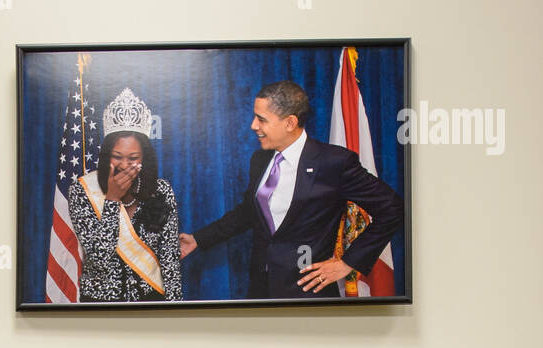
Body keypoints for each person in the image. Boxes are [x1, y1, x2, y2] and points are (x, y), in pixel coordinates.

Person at [180, 81, 404, 300]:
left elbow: (392, 208)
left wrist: (348, 262)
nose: (253, 126)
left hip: (307, 295)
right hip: (260, 291)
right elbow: (249, 213)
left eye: (261, 119)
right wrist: (199, 239)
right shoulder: (260, 159)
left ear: (290, 123)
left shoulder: (333, 162)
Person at [68, 90, 182, 303]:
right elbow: (99, 259)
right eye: (117, 157)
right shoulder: (82, 191)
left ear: (144, 158)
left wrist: (175, 309)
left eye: (133, 159)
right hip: (101, 304)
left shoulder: (161, 190)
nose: (124, 165)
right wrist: (111, 199)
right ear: (106, 156)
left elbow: (170, 261)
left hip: (151, 301)